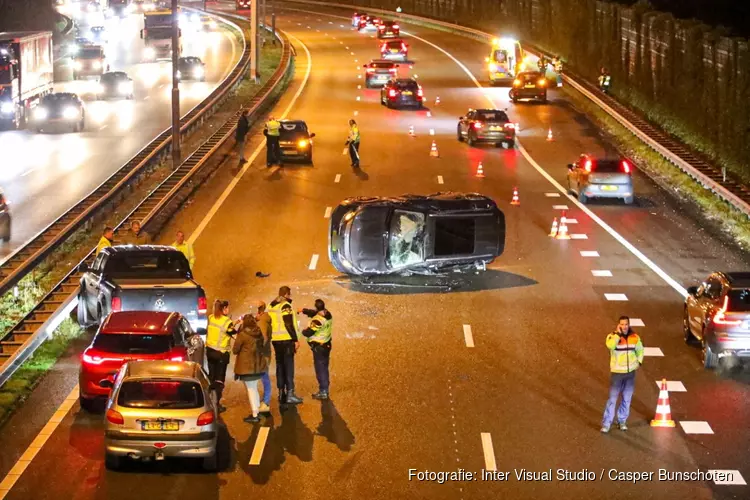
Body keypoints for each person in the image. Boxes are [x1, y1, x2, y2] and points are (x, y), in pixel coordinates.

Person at [601, 316, 644, 433]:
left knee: (627, 398)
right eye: (622, 324)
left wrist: (639, 361)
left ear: (629, 325)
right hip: (617, 373)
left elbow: (640, 350)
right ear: (618, 325)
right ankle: (606, 423)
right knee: (612, 399)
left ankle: (622, 421)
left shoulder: (635, 337)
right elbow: (610, 345)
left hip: (630, 373)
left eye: (626, 324)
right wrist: (618, 335)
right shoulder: (612, 336)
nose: (624, 326)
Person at [268, 286, 303, 405]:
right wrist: (295, 339)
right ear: (287, 294)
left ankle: (281, 392)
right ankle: (290, 394)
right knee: (289, 367)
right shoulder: (285, 305)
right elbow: (288, 323)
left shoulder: (272, 305)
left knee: (280, 366)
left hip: (276, 340)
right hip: (286, 340)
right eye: (290, 294)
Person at [233, 314, 270, 423]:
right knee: (253, 388)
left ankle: (254, 414)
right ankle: (257, 410)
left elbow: (235, 350)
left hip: (247, 368)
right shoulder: (258, 333)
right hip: (257, 366)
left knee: (251, 389)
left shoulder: (243, 335)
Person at [206, 299, 238, 413]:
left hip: (210, 352)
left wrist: (234, 323)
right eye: (227, 308)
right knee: (219, 380)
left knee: (211, 378)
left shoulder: (211, 317)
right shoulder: (226, 321)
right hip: (221, 354)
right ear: (224, 309)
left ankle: (209, 401)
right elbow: (233, 334)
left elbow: (222, 330)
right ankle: (216, 404)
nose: (228, 310)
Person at [300, 299, 333, 400]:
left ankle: (323, 391)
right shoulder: (328, 314)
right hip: (326, 344)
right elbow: (314, 313)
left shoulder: (318, 320)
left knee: (320, 369)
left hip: (319, 347)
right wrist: (304, 310)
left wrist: (302, 330)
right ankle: (325, 387)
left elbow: (309, 333)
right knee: (324, 367)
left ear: (316, 307)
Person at [255, 301, 273, 413]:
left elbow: (264, 337)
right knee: (263, 377)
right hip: (265, 353)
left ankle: (265, 402)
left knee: (264, 378)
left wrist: (258, 349)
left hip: (262, 355)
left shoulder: (262, 321)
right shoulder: (263, 319)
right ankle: (264, 401)